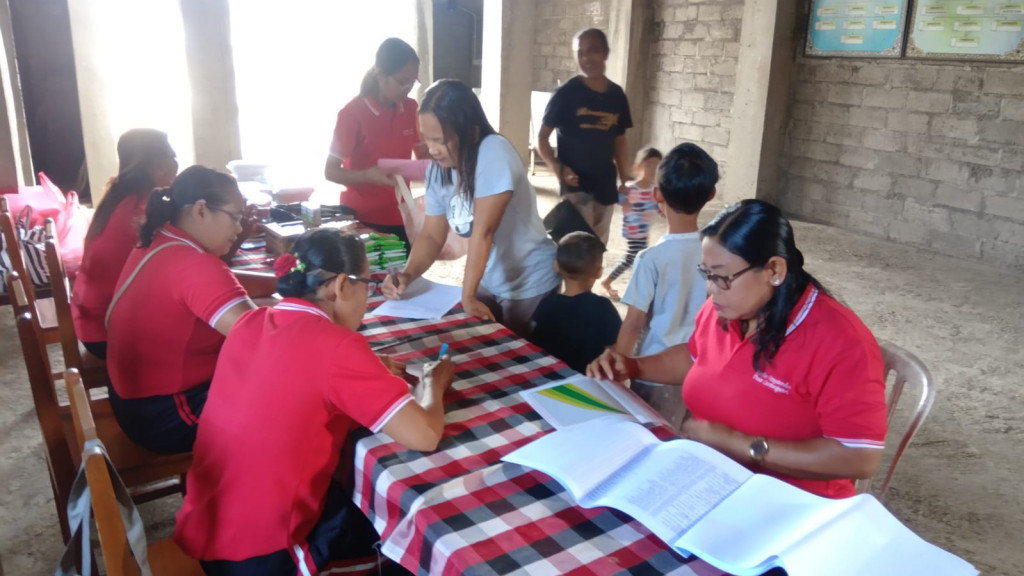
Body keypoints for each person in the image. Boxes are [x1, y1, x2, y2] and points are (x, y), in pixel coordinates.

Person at [175, 228, 454, 575]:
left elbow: (297, 385)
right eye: (366, 285)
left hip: (207, 522)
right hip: (266, 552)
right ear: (341, 285)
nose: (366, 302)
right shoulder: (338, 347)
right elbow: (425, 435)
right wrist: (433, 384)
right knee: (405, 540)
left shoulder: (251, 321)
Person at [589, 200, 887, 499]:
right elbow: (697, 358)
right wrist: (632, 366)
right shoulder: (728, 310)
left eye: (722, 277)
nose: (710, 290)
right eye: (706, 274)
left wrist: (744, 444)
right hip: (714, 476)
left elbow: (860, 457)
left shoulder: (840, 341)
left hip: (792, 500)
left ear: (774, 270)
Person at [105, 166, 274, 454]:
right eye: (235, 217)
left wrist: (277, 289)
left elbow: (227, 285)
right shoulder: (195, 266)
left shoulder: (160, 238)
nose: (238, 228)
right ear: (200, 210)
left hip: (132, 400)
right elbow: (263, 339)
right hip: (165, 414)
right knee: (286, 393)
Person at [382, 79, 560, 338]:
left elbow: (483, 232)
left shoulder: (493, 151)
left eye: (440, 140)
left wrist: (468, 295)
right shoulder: (438, 170)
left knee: (519, 358)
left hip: (529, 282)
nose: (432, 150)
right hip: (490, 279)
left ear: (472, 133)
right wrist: (407, 275)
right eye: (426, 139)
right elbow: (432, 235)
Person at [71, 128, 178, 358]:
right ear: (156, 165)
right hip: (108, 333)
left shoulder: (122, 195)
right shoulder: (143, 209)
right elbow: (181, 267)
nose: (176, 161)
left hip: (93, 322)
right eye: (172, 155)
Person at [614, 143, 715, 359]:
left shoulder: (650, 258)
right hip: (697, 364)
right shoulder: (718, 252)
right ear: (711, 194)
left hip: (653, 367)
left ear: (656, 195)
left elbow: (633, 323)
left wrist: (618, 366)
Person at [325, 37, 425, 249]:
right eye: (402, 81)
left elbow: (424, 154)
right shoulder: (352, 114)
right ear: (380, 74)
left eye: (412, 82)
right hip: (362, 219)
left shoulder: (410, 109)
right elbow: (330, 171)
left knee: (403, 279)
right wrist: (367, 176)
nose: (407, 88)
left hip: (402, 216)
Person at [537, 28, 633, 245]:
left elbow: (619, 139)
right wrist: (558, 168)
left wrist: (625, 177)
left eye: (593, 51)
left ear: (606, 53)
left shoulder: (617, 95)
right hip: (576, 187)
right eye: (580, 53)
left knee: (598, 248)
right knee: (576, 248)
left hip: (605, 184)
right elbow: (541, 138)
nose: (586, 58)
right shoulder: (565, 94)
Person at [529, 231, 621, 374]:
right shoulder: (604, 307)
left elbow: (534, 343)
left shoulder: (547, 304)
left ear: (556, 266)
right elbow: (617, 346)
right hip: (590, 379)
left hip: (550, 377)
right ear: (599, 272)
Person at [600, 146, 663, 299]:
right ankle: (609, 282)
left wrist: (666, 213)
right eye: (648, 165)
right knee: (633, 258)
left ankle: (619, 284)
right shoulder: (631, 188)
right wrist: (624, 200)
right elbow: (618, 198)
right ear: (638, 167)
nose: (652, 170)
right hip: (634, 231)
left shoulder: (654, 190)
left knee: (637, 258)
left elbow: (657, 206)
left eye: (657, 166)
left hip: (644, 231)